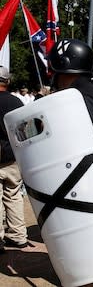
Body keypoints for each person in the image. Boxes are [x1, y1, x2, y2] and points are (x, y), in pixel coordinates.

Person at [48, 38, 93, 287]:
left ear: (62, 69)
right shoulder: (87, 92)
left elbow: (82, 152)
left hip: (91, 194)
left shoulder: (79, 98)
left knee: (87, 270)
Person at [0, 66, 28, 253]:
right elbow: (25, 130)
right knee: (14, 195)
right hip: (13, 156)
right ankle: (18, 236)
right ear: (7, 82)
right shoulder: (16, 102)